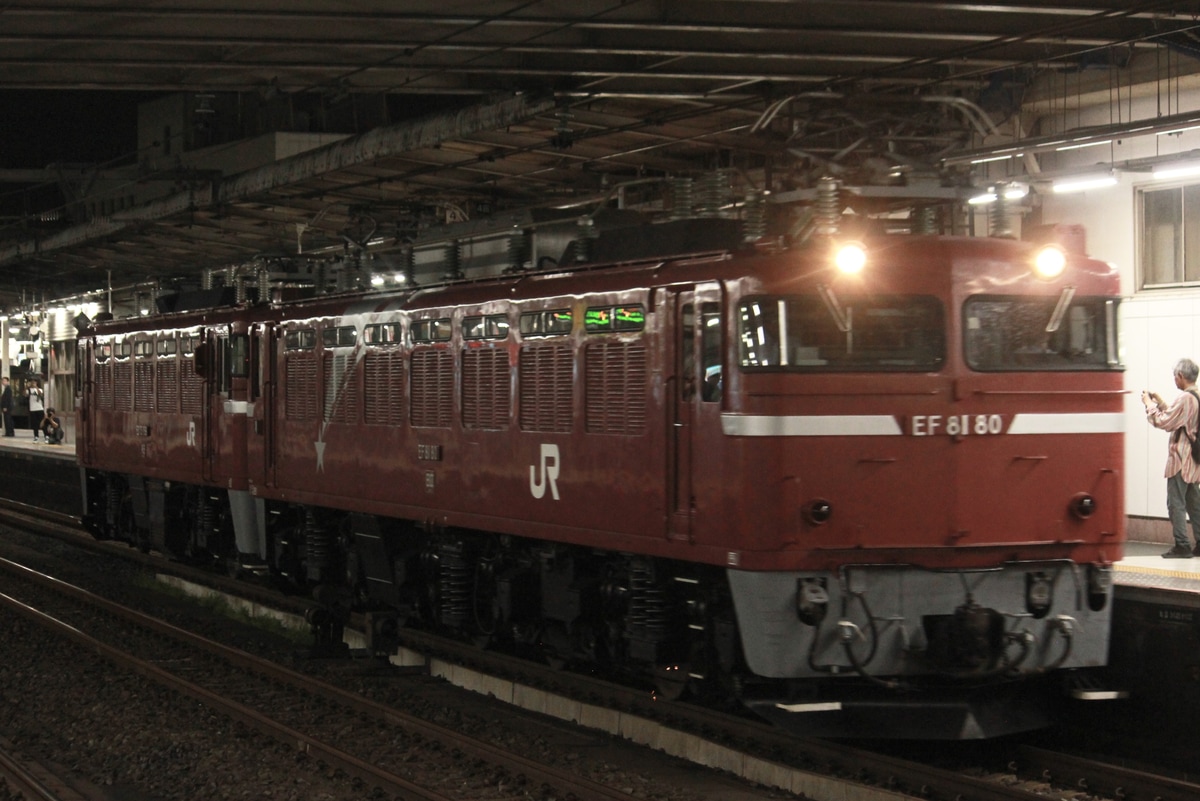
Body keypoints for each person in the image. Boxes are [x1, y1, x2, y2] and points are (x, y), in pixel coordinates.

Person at [1143, 357, 1200, 558]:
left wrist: (1149, 405)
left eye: (1175, 376)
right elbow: (1180, 419)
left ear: (1181, 376)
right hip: (1194, 460)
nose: (1174, 380)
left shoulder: (1185, 398)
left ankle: (1182, 545)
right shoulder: (1196, 396)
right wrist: (1161, 402)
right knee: (1195, 504)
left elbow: (1165, 422)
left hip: (1181, 459)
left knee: (1176, 503)